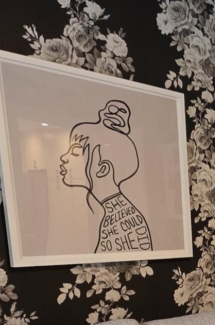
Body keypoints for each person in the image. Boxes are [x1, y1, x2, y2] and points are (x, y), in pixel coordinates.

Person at [59, 99, 152, 254]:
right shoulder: (105, 211)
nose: (64, 157)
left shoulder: (118, 223)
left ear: (102, 169)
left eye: (75, 152)